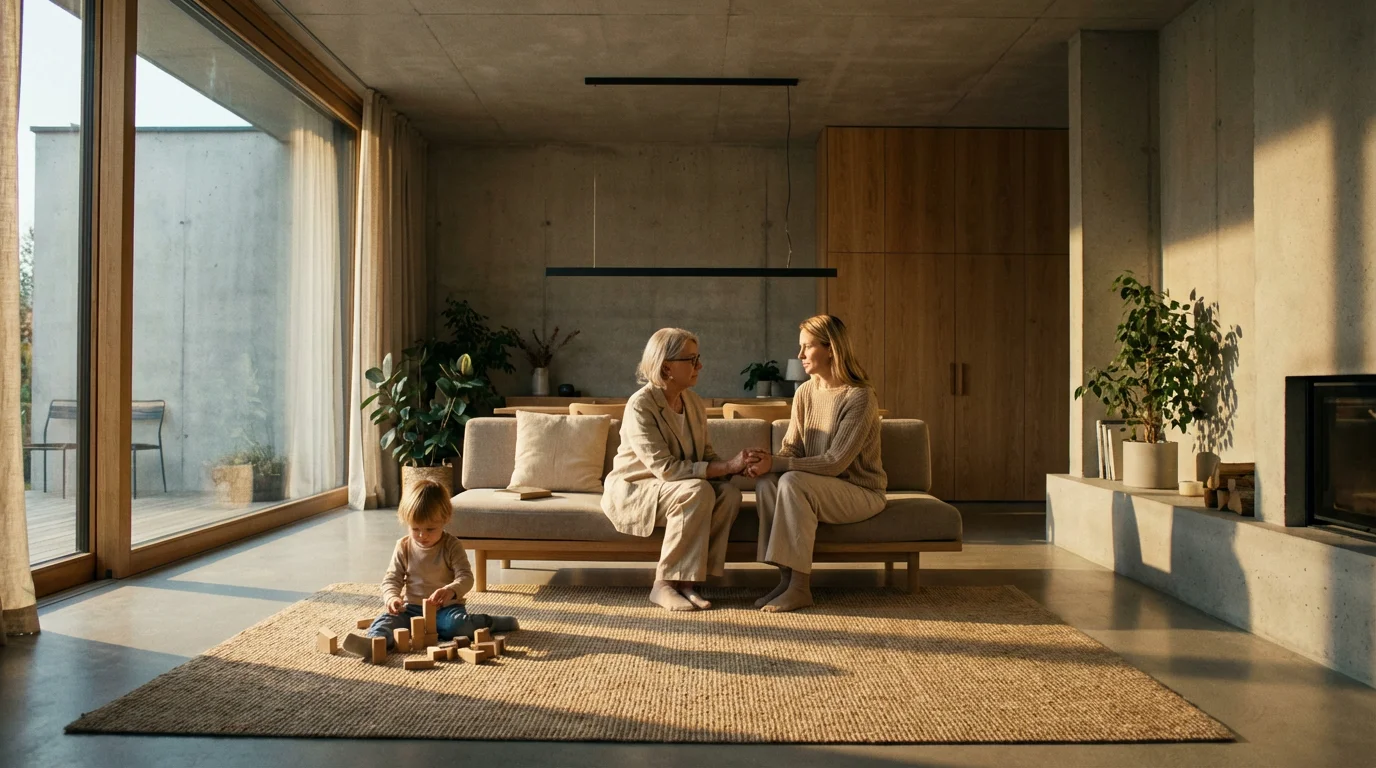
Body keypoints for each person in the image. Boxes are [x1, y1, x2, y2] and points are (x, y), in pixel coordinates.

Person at [602, 328, 752, 611]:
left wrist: (736, 467)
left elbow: (706, 455)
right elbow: (666, 469)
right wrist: (726, 466)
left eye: (698, 358)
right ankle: (663, 584)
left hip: (675, 486)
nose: (700, 366)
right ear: (667, 366)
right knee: (696, 491)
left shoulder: (693, 403)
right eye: (692, 359)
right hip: (639, 487)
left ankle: (688, 583)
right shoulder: (641, 406)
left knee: (729, 494)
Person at [745, 315, 887, 613]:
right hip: (818, 486)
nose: (799, 356)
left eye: (807, 348)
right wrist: (767, 463)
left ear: (831, 348)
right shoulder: (805, 392)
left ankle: (800, 588)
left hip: (860, 491)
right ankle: (786, 580)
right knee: (768, 482)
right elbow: (792, 447)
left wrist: (779, 464)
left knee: (791, 480)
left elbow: (836, 462)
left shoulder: (859, 396)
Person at [365, 479, 518, 647]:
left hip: (445, 610)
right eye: (415, 529)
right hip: (410, 609)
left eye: (430, 529)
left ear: (444, 519)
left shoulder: (451, 545)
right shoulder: (403, 546)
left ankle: (490, 622)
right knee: (386, 622)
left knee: (458, 626)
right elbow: (391, 579)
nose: (422, 535)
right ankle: (375, 641)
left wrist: (451, 590)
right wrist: (392, 597)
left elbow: (466, 577)